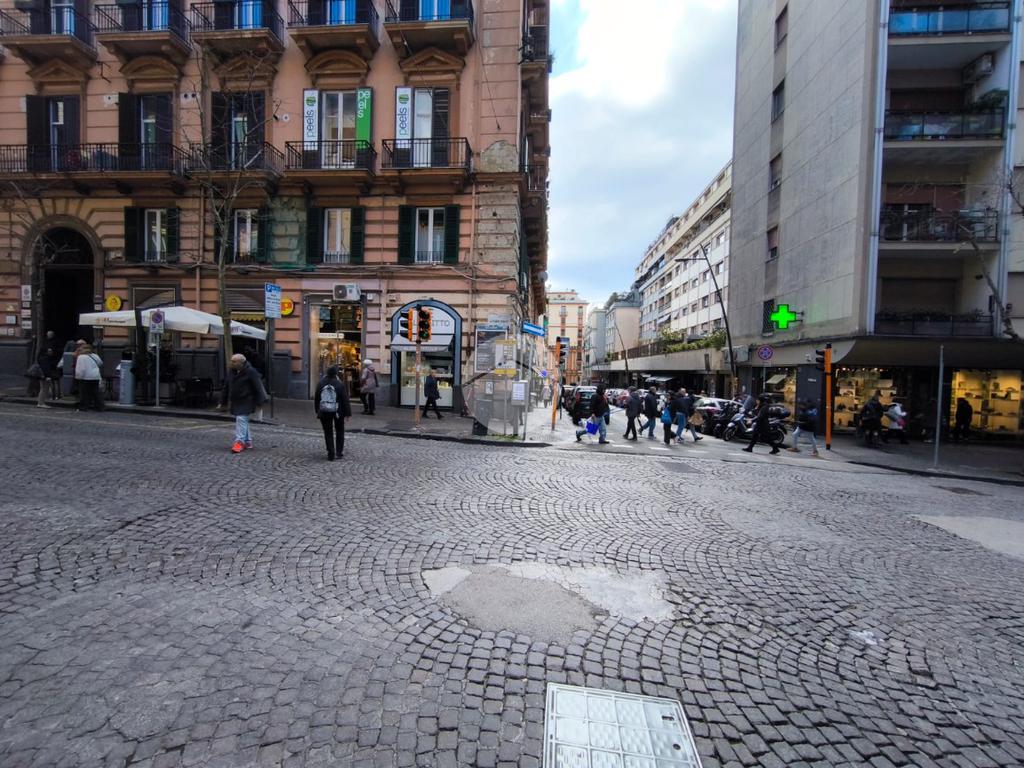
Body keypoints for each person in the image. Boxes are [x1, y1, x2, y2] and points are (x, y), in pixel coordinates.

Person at [218, 353, 267, 453]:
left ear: (241, 363)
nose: (231, 363)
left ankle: (239, 442)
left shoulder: (251, 372)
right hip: (236, 400)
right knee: (243, 420)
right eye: (231, 361)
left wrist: (261, 402)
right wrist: (222, 401)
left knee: (241, 419)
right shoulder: (231, 372)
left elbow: (258, 387)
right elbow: (226, 386)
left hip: (247, 400)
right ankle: (247, 441)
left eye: (234, 361)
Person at [314, 365, 352, 461]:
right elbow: (345, 399)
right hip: (338, 411)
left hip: (324, 410)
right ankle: (339, 452)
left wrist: (317, 410)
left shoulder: (321, 383)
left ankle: (330, 453)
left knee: (328, 431)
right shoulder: (340, 384)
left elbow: (317, 397)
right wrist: (348, 413)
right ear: (336, 374)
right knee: (340, 430)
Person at [74, 344, 105, 412]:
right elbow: (100, 363)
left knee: (84, 393)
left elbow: (81, 369)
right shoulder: (95, 356)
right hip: (95, 376)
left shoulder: (81, 357)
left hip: (85, 377)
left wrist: (78, 377)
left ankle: (84, 406)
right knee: (96, 392)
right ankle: (100, 406)